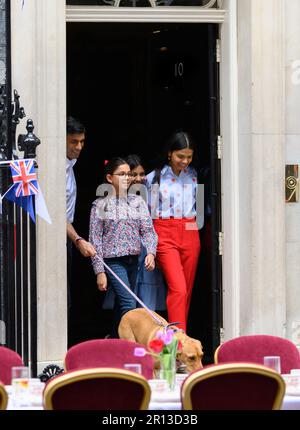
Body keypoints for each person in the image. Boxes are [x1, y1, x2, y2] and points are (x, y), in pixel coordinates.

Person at [89, 157, 157, 336]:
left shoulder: (138, 202)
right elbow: (95, 240)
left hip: (133, 260)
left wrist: (151, 252)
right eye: (122, 174)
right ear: (110, 178)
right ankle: (131, 348)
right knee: (129, 303)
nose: (127, 178)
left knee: (121, 305)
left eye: (129, 174)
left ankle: (114, 341)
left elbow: (148, 231)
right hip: (113, 262)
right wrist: (99, 272)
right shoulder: (100, 205)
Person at [146, 131, 201, 332]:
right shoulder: (154, 177)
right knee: (178, 289)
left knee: (186, 290)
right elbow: (148, 212)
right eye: (180, 156)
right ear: (170, 153)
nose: (184, 161)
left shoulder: (194, 175)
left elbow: (201, 208)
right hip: (164, 231)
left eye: (189, 157)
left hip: (191, 230)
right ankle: (179, 341)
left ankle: (178, 334)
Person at [125, 154, 167, 311]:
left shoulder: (150, 191)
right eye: (133, 174)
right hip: (129, 248)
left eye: (141, 174)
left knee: (148, 286)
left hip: (147, 246)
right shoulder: (118, 196)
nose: (138, 178)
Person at [66, 116, 96, 309]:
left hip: (66, 236)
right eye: (73, 142)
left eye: (82, 142)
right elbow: (55, 212)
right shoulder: (57, 167)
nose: (79, 147)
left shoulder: (71, 164)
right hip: (57, 236)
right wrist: (78, 240)